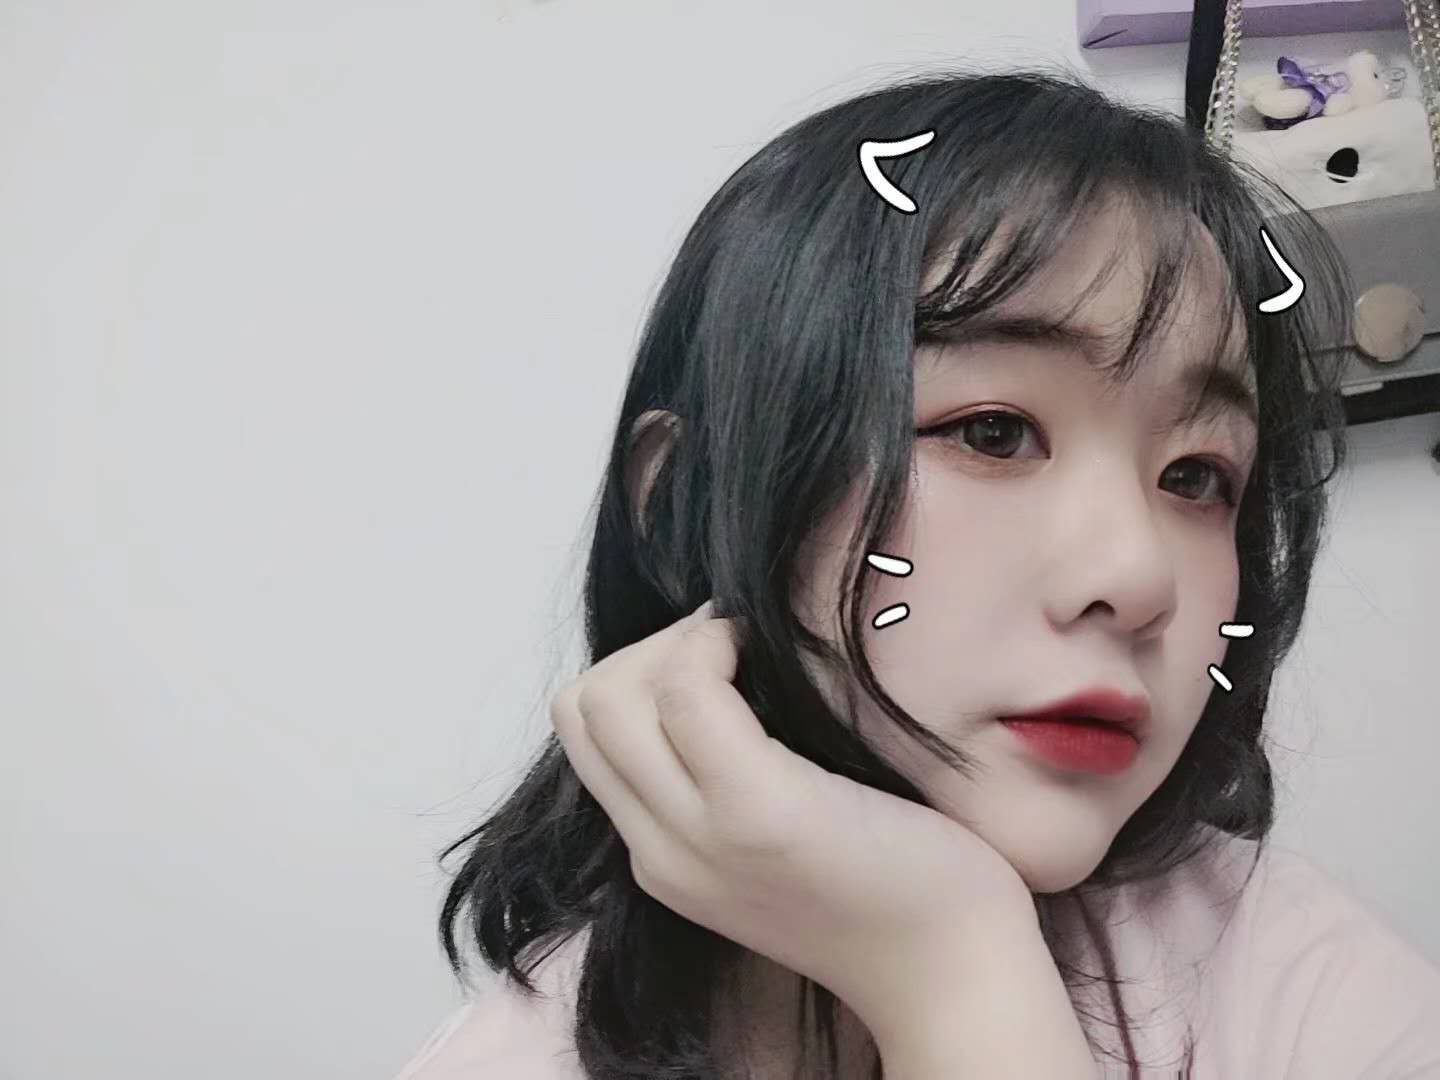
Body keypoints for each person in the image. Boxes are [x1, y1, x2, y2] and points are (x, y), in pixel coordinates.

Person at [396, 68, 1440, 1079]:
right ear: (682, 505)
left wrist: (952, 976)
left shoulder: (1305, 985)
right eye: (993, 431)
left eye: (1197, 476)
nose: (1137, 579)